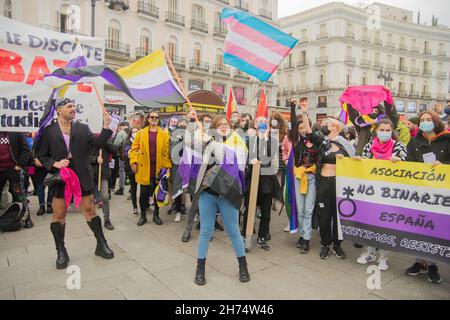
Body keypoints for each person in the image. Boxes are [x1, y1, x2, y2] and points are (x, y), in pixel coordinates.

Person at [36, 98, 114, 269]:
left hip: (82, 176)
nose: (73, 109)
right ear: (58, 110)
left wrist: (106, 126)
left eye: (74, 106)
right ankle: (61, 251)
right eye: (69, 106)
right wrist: (54, 164)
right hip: (61, 178)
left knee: (90, 210)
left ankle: (101, 245)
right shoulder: (48, 131)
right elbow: (41, 155)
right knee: (59, 215)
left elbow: (97, 143)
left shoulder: (82, 128)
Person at [192, 116, 249, 285]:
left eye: (226, 124)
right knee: (205, 231)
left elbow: (236, 161)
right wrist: (203, 144)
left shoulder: (236, 142)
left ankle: (243, 266)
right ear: (214, 127)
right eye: (220, 124)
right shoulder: (206, 141)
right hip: (207, 194)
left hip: (227, 194)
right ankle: (200, 268)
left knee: (233, 231)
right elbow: (197, 161)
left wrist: (215, 145)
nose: (224, 126)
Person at [355, 118, 407, 270]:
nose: (384, 133)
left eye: (387, 130)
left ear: (392, 132)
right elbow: (364, 166)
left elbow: (407, 170)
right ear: (376, 131)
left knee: (386, 225)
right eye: (381, 130)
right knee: (371, 222)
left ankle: (384, 257)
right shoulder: (369, 145)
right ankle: (370, 252)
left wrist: (400, 162)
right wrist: (357, 161)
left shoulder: (399, 146)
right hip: (372, 192)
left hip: (390, 194)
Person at [404, 111, 450, 284]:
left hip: (440, 194)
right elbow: (408, 162)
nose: (425, 122)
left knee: (434, 228)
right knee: (418, 227)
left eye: (428, 119)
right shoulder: (415, 140)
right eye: (422, 120)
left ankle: (432, 265)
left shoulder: (447, 140)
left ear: (436, 121)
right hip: (419, 191)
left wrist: (443, 165)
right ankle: (419, 262)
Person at [304, 111, 356, 260]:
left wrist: (344, 160)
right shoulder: (324, 141)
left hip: (339, 185)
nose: (323, 126)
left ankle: (337, 245)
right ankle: (325, 244)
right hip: (323, 184)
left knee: (338, 215)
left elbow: (353, 163)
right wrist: (304, 112)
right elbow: (309, 132)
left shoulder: (345, 144)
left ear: (335, 127)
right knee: (324, 216)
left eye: (326, 124)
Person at [284, 98, 320, 253]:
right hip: (299, 179)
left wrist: (305, 113)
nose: (303, 130)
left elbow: (310, 131)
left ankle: (306, 239)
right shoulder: (297, 141)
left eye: (305, 127)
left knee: (308, 210)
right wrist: (293, 106)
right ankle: (301, 235)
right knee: (299, 210)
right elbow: (292, 122)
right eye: (300, 128)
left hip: (312, 179)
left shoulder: (317, 141)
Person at [242, 116, 282, 251]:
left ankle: (262, 237)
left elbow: (275, 160)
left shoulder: (272, 140)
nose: (262, 124)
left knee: (266, 211)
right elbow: (243, 156)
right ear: (254, 124)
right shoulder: (249, 138)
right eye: (259, 122)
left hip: (267, 180)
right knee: (249, 209)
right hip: (252, 178)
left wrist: (271, 173)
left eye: (265, 122)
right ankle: (245, 237)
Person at [129, 111, 171, 226]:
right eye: (152, 117)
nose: (154, 119)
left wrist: (167, 167)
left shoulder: (164, 134)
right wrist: (133, 161)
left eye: (156, 117)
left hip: (158, 168)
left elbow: (167, 153)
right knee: (143, 194)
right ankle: (143, 216)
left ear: (158, 119)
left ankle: (156, 214)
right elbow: (133, 149)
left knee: (158, 193)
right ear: (148, 119)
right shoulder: (141, 133)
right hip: (144, 168)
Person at [91, 138, 118, 230]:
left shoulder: (106, 142)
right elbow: (84, 156)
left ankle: (107, 220)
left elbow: (115, 150)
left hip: (103, 175)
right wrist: (94, 159)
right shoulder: (90, 140)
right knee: (89, 199)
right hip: (90, 175)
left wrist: (105, 143)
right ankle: (92, 220)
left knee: (105, 197)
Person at [0, 131, 31, 204]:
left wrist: (20, 165)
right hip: (1, 170)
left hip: (14, 170)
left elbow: (26, 150)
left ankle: (23, 212)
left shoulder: (17, 132)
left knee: (18, 196)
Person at [123, 127, 139, 215]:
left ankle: (146, 206)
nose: (135, 133)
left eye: (136, 131)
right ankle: (135, 207)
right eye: (133, 132)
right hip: (131, 168)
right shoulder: (127, 142)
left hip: (141, 168)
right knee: (133, 188)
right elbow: (128, 154)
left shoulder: (141, 141)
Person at [112, 122, 129, 196]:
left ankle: (121, 188)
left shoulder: (121, 133)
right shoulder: (133, 131)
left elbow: (116, 144)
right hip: (132, 154)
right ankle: (132, 189)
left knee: (122, 171)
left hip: (122, 155)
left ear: (122, 126)